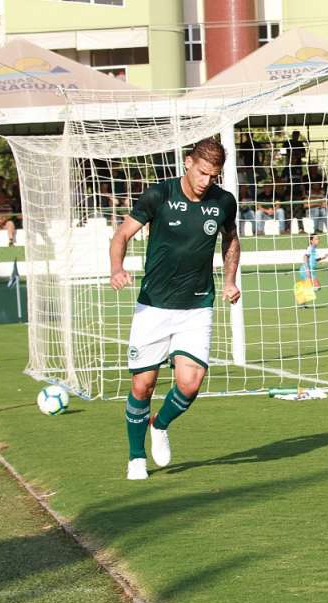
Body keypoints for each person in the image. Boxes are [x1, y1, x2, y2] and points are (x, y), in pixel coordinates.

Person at [109, 138, 240, 481]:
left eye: (213, 176)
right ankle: (136, 457)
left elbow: (230, 239)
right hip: (153, 307)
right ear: (187, 162)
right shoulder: (159, 194)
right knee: (143, 386)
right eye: (202, 172)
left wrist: (229, 280)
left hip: (196, 306)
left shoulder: (224, 202)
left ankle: (160, 424)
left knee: (191, 383)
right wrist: (117, 268)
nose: (206, 181)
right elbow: (121, 235)